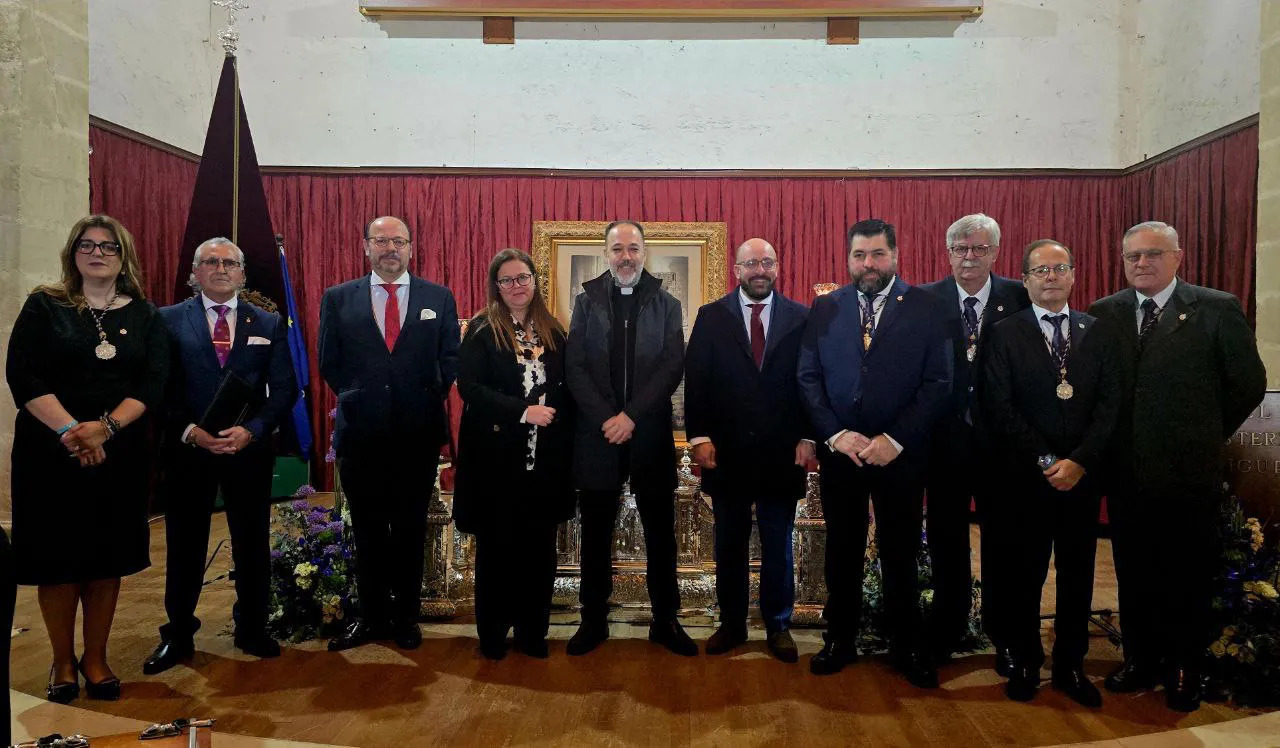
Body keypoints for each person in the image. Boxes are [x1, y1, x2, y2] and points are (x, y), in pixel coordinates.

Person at [1089, 221, 1266, 712]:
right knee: (1134, 569)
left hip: (1189, 471)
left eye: (1151, 255)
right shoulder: (1106, 312)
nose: (1141, 264)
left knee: (1187, 572)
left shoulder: (1215, 308)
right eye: (1132, 257)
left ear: (1177, 257)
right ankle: (1141, 659)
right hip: (1126, 472)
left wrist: (1204, 432)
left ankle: (1186, 665)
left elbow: (1247, 383)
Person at [5, 215, 169, 702]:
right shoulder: (44, 305)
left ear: (124, 258)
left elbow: (151, 385)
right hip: (50, 454)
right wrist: (72, 432)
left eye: (108, 247)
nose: (97, 254)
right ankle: (60, 661)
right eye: (87, 245)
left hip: (118, 455)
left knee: (104, 559)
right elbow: (23, 376)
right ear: (72, 253)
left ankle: (95, 658)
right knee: (57, 561)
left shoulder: (145, 315)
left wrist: (106, 428)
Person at [796, 218, 952, 688]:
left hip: (899, 454)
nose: (869, 264)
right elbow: (808, 378)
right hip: (843, 452)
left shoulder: (927, 306)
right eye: (860, 255)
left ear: (895, 255)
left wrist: (895, 440)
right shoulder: (826, 307)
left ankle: (905, 644)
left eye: (878, 254)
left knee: (901, 551)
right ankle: (839, 639)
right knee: (841, 548)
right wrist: (836, 435)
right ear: (848, 259)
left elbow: (938, 381)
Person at [143, 238, 296, 674]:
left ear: (243, 274)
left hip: (247, 452)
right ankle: (179, 633)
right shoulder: (167, 320)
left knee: (252, 543)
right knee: (185, 544)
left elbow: (284, 390)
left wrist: (252, 431)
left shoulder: (267, 323)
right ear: (196, 272)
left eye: (230, 262)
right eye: (211, 261)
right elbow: (157, 388)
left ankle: (251, 626)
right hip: (188, 451)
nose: (221, 268)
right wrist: (191, 432)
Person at [982, 240, 1119, 706]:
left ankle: (1070, 665)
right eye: (1041, 270)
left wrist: (1079, 461)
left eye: (1060, 267)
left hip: (1082, 479)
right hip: (1026, 480)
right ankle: (1025, 661)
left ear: (1074, 275)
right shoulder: (1003, 332)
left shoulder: (1097, 332)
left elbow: (1109, 405)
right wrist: (1046, 461)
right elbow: (999, 406)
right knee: (1026, 575)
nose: (1051, 276)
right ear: (1025, 280)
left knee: (1078, 575)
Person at [319, 215, 460, 652]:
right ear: (365, 247)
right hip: (362, 434)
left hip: (417, 435)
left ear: (411, 248)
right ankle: (372, 617)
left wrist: (419, 396)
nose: (390, 248)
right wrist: (365, 394)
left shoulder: (439, 296)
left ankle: (405, 618)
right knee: (367, 530)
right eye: (381, 240)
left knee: (410, 530)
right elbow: (329, 362)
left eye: (398, 240)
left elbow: (450, 359)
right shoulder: (338, 298)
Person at [564, 220, 696, 657]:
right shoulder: (585, 303)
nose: (626, 257)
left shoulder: (666, 303)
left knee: (661, 533)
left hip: (649, 434)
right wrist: (608, 418)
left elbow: (672, 366)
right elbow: (575, 367)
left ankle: (665, 621)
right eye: (617, 249)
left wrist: (631, 417)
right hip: (598, 435)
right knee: (596, 532)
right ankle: (593, 620)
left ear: (645, 254)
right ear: (606, 254)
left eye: (633, 249)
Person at [685, 237, 814, 663]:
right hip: (728, 454)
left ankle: (778, 625)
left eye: (767, 262)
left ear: (777, 267)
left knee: (779, 545)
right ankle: (733, 625)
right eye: (751, 263)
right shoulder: (711, 317)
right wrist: (699, 437)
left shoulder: (801, 317)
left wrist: (810, 437)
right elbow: (697, 379)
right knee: (729, 545)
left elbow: (810, 382)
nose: (760, 270)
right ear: (736, 270)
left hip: (782, 454)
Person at [453, 249, 575, 660]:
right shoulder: (482, 330)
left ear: (535, 280)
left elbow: (567, 385)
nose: (516, 286)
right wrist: (523, 412)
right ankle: (492, 633)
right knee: (497, 550)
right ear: (496, 287)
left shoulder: (553, 330)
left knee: (538, 551)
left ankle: (531, 632)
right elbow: (469, 387)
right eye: (506, 280)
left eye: (522, 277)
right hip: (495, 462)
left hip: (544, 463)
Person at [919, 214, 1029, 670]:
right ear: (948, 252)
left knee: (1004, 543)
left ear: (996, 252)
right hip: (943, 445)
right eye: (961, 248)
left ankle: (1004, 634)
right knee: (946, 541)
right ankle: (948, 627)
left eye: (979, 249)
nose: (969, 256)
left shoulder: (1019, 298)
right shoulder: (924, 300)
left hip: (1002, 446)